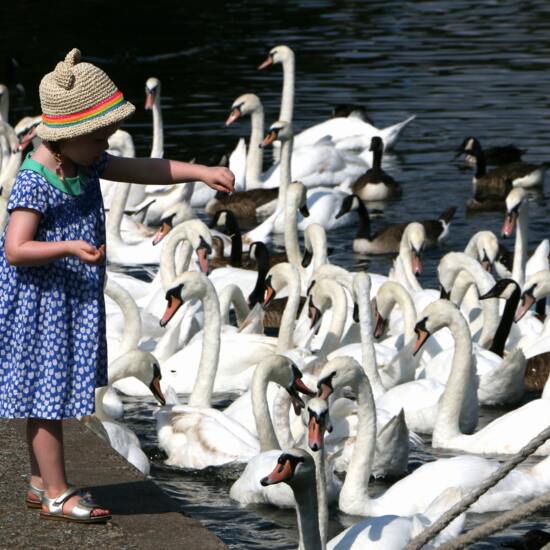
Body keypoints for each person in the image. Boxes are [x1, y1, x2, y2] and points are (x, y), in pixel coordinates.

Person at [0, 48, 234, 523]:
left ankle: (42, 481)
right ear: (68, 136)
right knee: (46, 399)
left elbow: (146, 169)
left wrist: (200, 172)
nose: (106, 148)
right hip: (41, 304)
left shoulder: (81, 162)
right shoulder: (34, 180)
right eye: (100, 138)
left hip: (66, 299)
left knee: (49, 395)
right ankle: (57, 493)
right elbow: (15, 248)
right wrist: (67, 246)